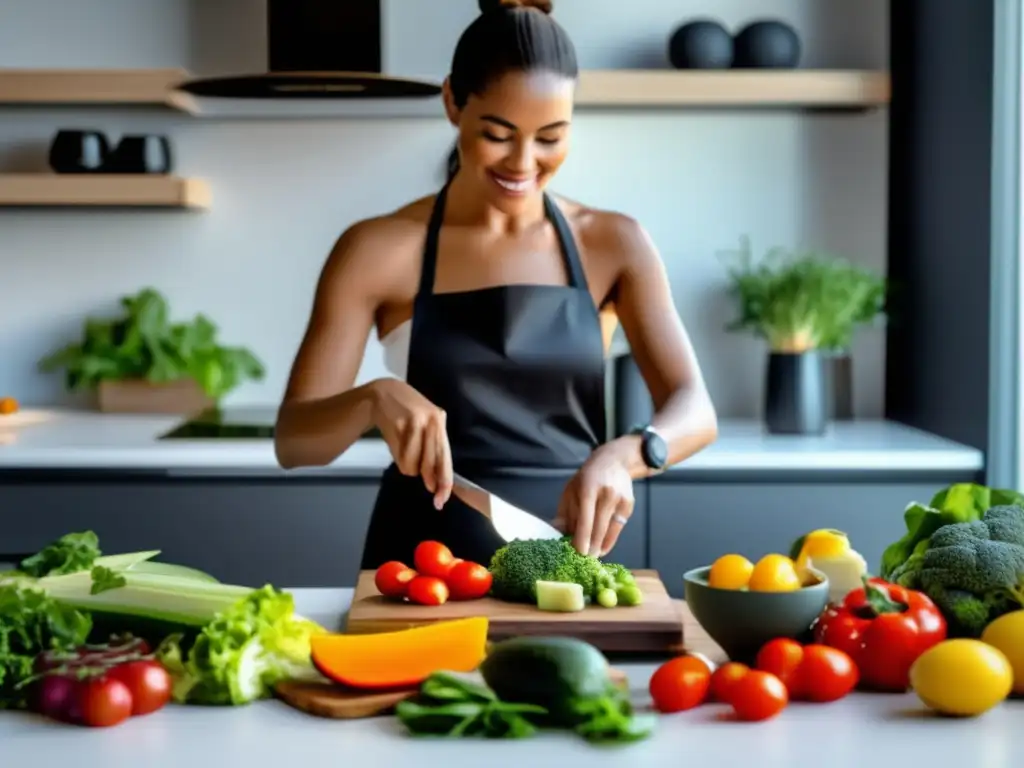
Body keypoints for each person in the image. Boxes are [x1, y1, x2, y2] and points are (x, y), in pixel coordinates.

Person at [274, 0, 718, 571]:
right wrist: (371, 399)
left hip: (569, 559)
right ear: (453, 102)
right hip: (418, 568)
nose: (524, 162)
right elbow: (294, 441)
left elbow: (694, 408)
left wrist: (626, 456)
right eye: (499, 134)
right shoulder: (378, 249)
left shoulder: (613, 244)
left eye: (551, 137)